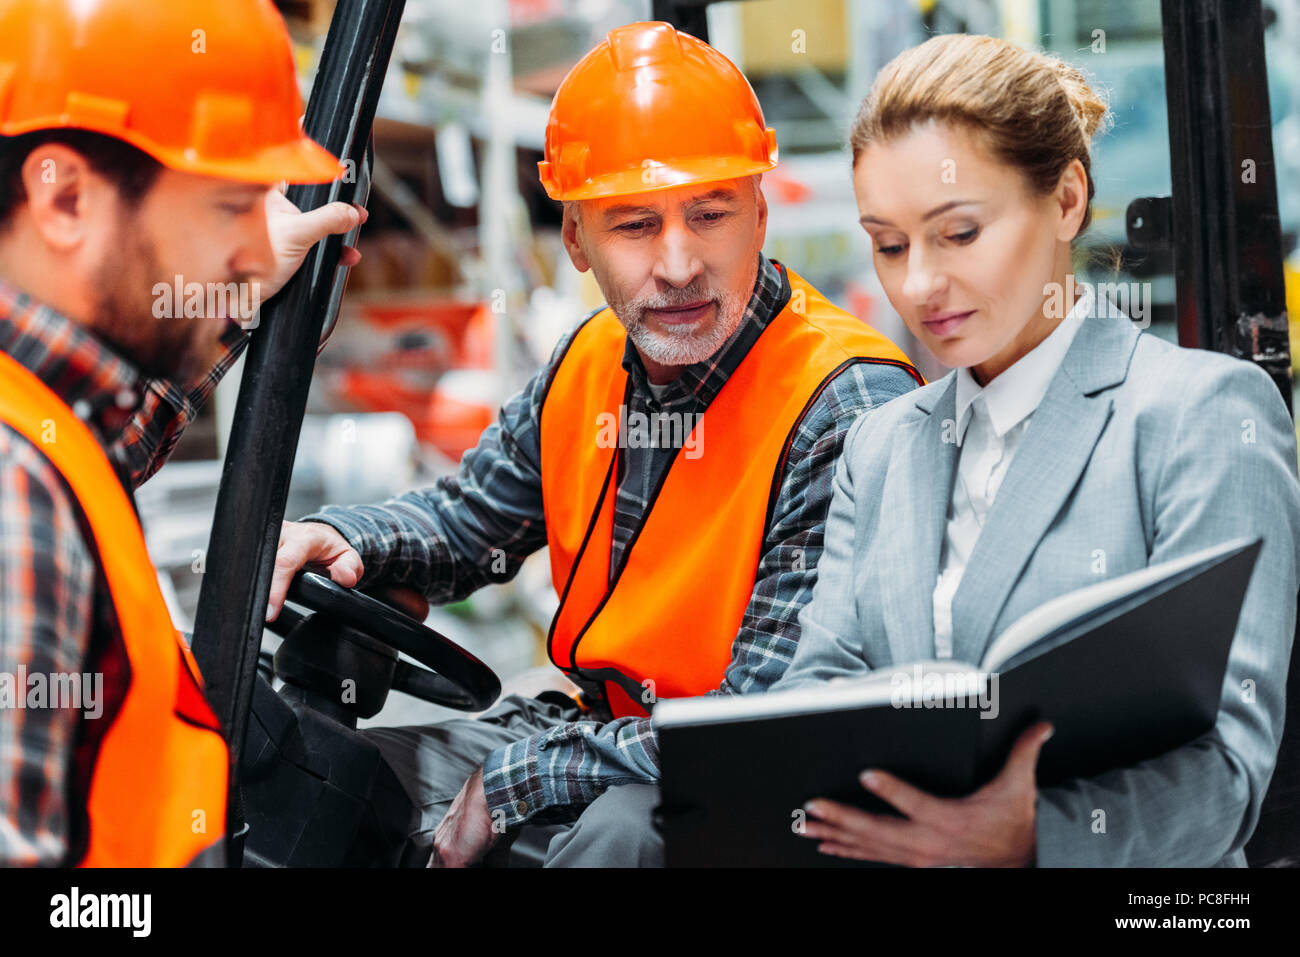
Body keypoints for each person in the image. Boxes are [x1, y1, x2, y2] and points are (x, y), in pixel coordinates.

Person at [267, 21, 923, 867]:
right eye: (635, 223)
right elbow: (469, 524)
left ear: (760, 212)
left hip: (760, 784)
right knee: (311, 779)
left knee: (623, 836)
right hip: (601, 731)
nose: (680, 262)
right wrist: (351, 538)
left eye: (710, 212)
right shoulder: (586, 363)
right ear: (575, 238)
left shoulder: (844, 403)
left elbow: (764, 727)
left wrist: (523, 779)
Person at [772, 33, 1300, 867]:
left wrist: (1033, 839)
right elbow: (818, 684)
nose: (917, 286)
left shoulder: (1198, 414)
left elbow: (1228, 770)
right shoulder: (880, 445)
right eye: (890, 244)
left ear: (1065, 201)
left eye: (959, 233)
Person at [0, 0, 368, 866]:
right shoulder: (14, 498)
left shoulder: (42, 427)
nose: (255, 245)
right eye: (231, 206)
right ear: (63, 199)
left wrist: (232, 301)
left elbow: (96, 448)